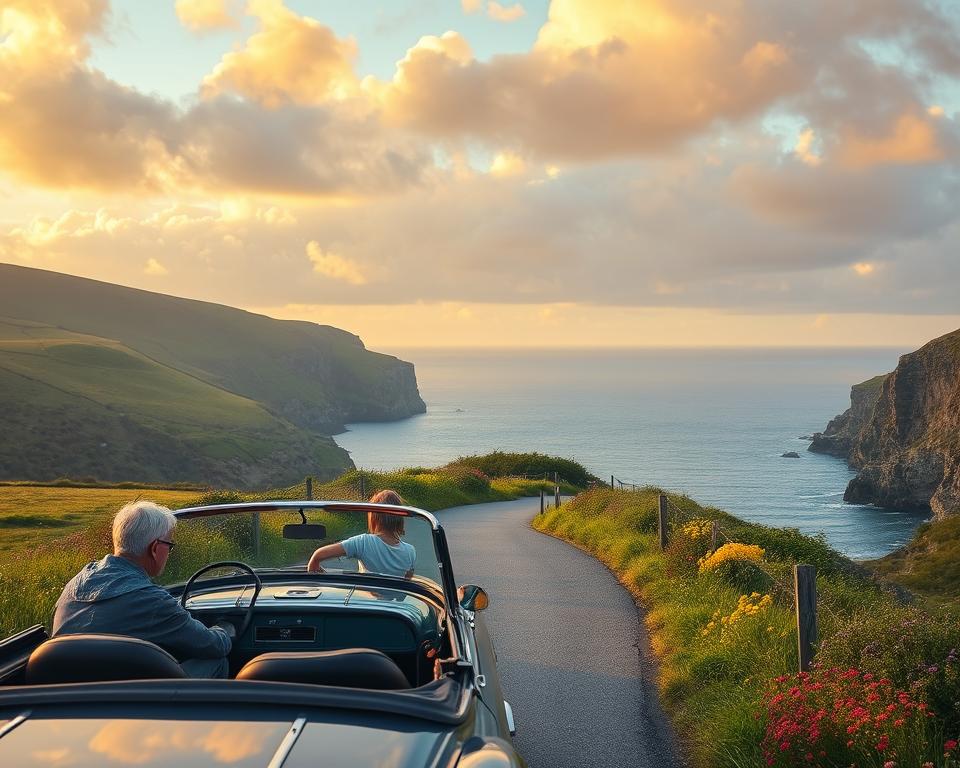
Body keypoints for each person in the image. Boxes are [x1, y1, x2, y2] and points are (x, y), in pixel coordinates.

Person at [52, 500, 234, 678]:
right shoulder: (153, 602)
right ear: (155, 548)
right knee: (216, 660)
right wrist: (225, 629)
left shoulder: (74, 583)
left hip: (70, 698)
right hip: (132, 702)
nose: (169, 552)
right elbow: (213, 645)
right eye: (169, 545)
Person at [307, 490, 416, 578]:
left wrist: (314, 567)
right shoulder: (410, 551)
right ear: (400, 517)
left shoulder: (364, 542)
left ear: (374, 517)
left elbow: (319, 555)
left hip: (369, 601)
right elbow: (407, 581)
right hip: (394, 604)